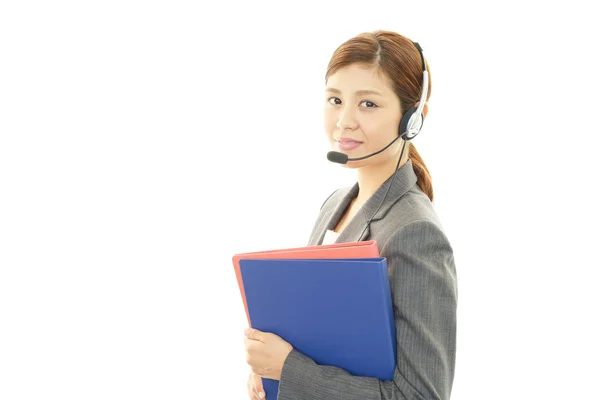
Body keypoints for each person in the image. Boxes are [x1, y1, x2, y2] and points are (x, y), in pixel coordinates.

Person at [243, 29, 458, 400]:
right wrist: (270, 376)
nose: (344, 121)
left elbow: (421, 396)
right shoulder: (336, 204)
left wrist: (289, 370)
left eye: (368, 104)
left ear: (413, 120)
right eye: (335, 99)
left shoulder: (415, 231)